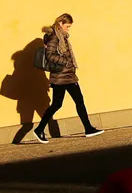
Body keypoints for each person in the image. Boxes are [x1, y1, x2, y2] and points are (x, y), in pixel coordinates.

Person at [31, 13, 103, 143]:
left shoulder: (61, 36)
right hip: (62, 76)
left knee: (63, 103)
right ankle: (40, 129)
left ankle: (88, 128)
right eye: (67, 26)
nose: (68, 29)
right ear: (60, 23)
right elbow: (49, 55)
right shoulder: (55, 37)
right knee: (69, 102)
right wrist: (65, 62)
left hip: (66, 75)